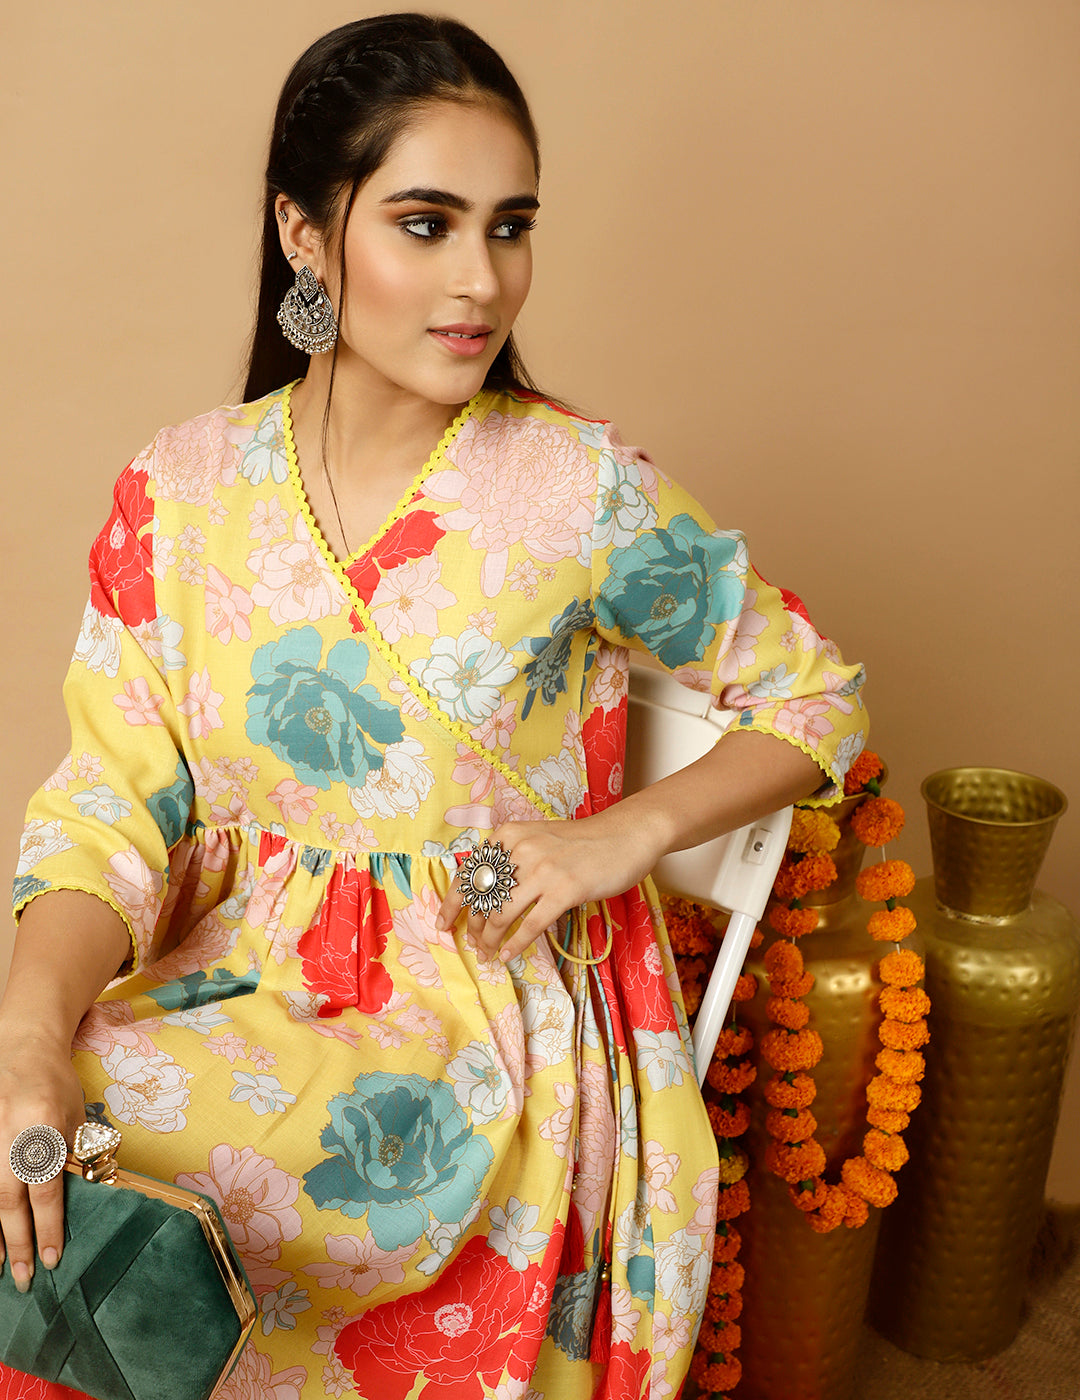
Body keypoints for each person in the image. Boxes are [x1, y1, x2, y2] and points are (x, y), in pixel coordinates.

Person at [0, 13, 868, 1399]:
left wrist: (623, 835)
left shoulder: (578, 492)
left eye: (510, 227)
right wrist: (30, 1040)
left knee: (279, 1181)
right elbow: (112, 805)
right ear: (304, 232)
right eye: (427, 223)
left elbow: (814, 698)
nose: (483, 279)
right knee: (52, 1135)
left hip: (477, 1017)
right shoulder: (182, 490)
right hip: (235, 980)